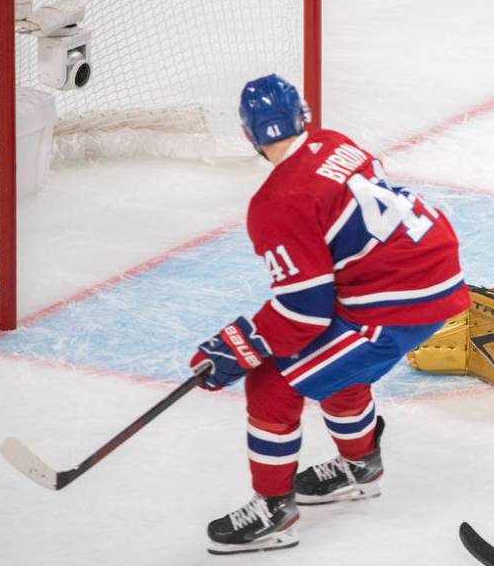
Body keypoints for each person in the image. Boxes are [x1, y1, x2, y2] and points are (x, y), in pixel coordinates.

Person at [189, 74, 470, 555]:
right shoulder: (334, 142)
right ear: (303, 117)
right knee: (336, 363)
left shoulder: (276, 203)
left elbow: (303, 314)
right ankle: (359, 467)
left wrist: (240, 346)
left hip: (396, 300)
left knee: (273, 382)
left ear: (249, 135)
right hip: (430, 272)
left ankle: (273, 512)